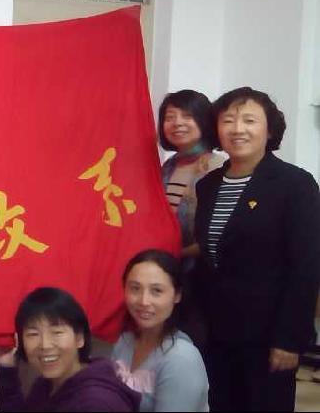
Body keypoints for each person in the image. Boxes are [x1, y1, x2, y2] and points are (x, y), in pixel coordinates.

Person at [194, 86, 320, 411]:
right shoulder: (207, 185)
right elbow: (211, 258)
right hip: (217, 332)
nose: (238, 129)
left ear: (270, 129)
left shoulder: (295, 185)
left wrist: (290, 339)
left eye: (249, 120)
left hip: (268, 336)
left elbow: (306, 267)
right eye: (228, 120)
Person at [0, 287, 140, 412]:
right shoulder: (47, 384)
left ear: (79, 338)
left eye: (57, 332)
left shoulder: (95, 403)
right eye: (33, 334)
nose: (45, 345)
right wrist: (6, 367)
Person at [157, 90, 224, 347]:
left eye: (187, 116)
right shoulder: (168, 166)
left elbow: (217, 232)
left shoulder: (217, 166)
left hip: (199, 276)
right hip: (167, 269)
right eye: (170, 117)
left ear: (204, 121)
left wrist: (179, 252)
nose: (177, 123)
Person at [112, 250, 209, 411]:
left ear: (177, 295)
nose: (144, 301)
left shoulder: (181, 359)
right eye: (135, 288)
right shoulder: (124, 342)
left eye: (156, 291)